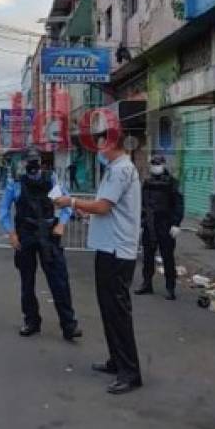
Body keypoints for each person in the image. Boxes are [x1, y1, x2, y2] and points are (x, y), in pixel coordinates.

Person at [54, 129, 142, 395]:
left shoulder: (121, 170)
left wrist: (71, 200)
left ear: (114, 144)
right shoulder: (114, 169)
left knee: (117, 312)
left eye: (102, 146)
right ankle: (117, 361)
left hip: (117, 250)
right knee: (108, 310)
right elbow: (105, 209)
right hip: (107, 247)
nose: (99, 151)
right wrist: (82, 211)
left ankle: (130, 372)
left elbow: (103, 206)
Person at [0, 146, 82, 341]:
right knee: (27, 282)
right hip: (25, 235)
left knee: (59, 281)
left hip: (48, 235)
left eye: (36, 161)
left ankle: (69, 325)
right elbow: (3, 210)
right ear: (24, 162)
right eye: (30, 161)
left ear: (41, 162)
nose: (34, 165)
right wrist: (11, 234)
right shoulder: (16, 183)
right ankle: (31, 321)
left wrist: (61, 224)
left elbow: (66, 201)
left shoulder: (50, 180)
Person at [136, 154, 184, 300]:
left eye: (158, 163)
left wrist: (176, 223)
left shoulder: (171, 182)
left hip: (165, 224)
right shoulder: (147, 182)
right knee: (148, 257)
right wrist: (141, 221)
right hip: (150, 224)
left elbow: (178, 204)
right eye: (153, 164)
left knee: (167, 257)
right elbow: (142, 203)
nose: (155, 166)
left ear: (163, 165)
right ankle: (147, 284)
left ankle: (170, 288)